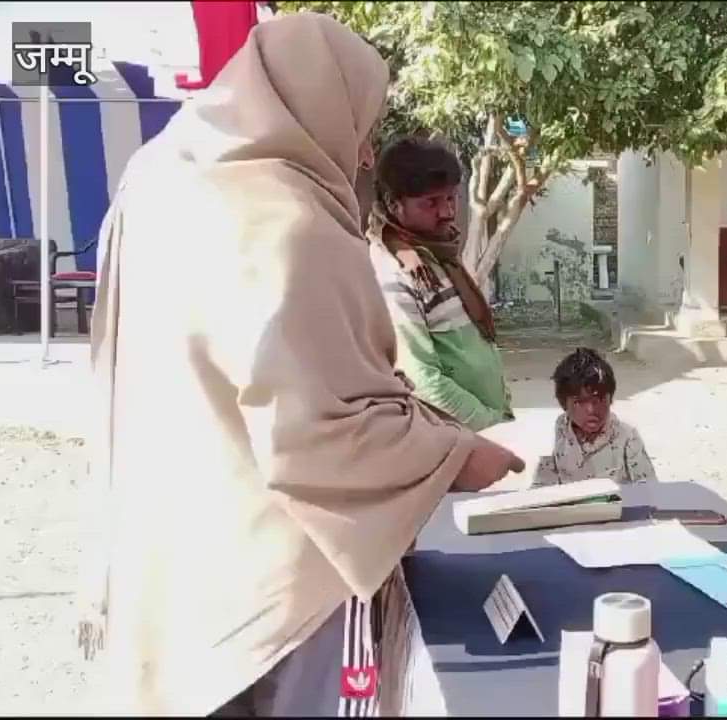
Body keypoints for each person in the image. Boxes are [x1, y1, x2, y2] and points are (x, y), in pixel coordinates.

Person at [77, 14, 523, 716]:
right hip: (281, 569)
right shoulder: (289, 215)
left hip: (172, 538)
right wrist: (457, 454)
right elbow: (324, 427)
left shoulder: (157, 180)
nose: (366, 151)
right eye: (362, 123)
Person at [366, 137, 514, 432]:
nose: (447, 212)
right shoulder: (396, 272)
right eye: (431, 203)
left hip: (482, 428)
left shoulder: (438, 255)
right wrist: (489, 428)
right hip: (462, 436)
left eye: (451, 198)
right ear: (394, 204)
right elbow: (420, 378)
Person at [533, 348, 658, 487]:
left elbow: (649, 489)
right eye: (579, 402)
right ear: (564, 405)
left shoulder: (627, 438)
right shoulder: (562, 427)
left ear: (610, 399)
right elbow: (555, 468)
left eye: (599, 399)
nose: (591, 410)